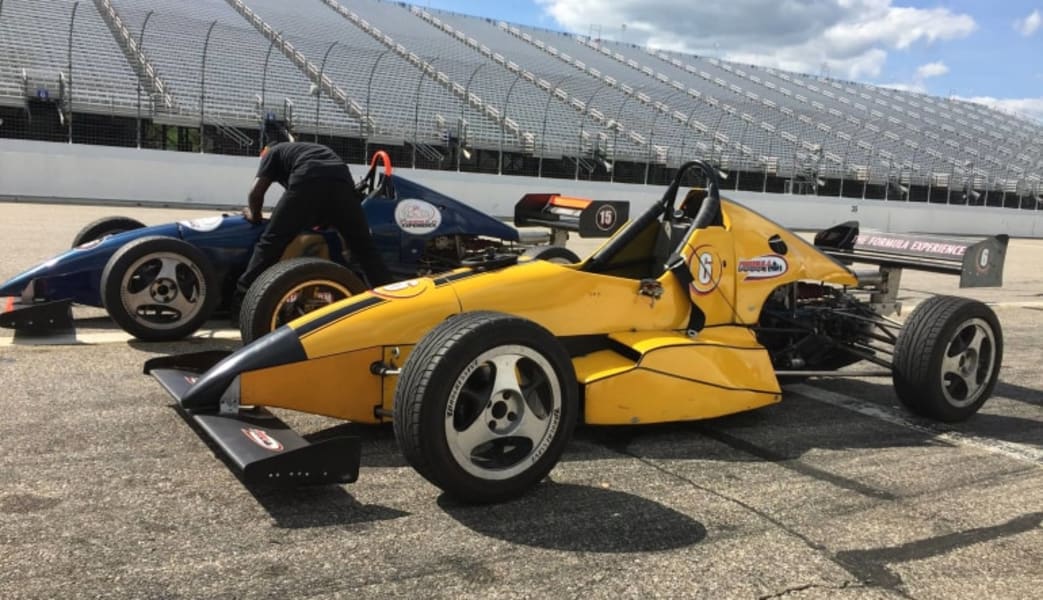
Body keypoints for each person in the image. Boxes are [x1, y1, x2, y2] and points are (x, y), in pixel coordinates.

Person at [233, 141, 394, 315]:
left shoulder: (272, 153)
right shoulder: (307, 150)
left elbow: (256, 193)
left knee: (271, 241)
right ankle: (391, 302)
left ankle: (241, 299)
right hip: (342, 179)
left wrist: (254, 215)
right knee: (364, 249)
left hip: (309, 176)